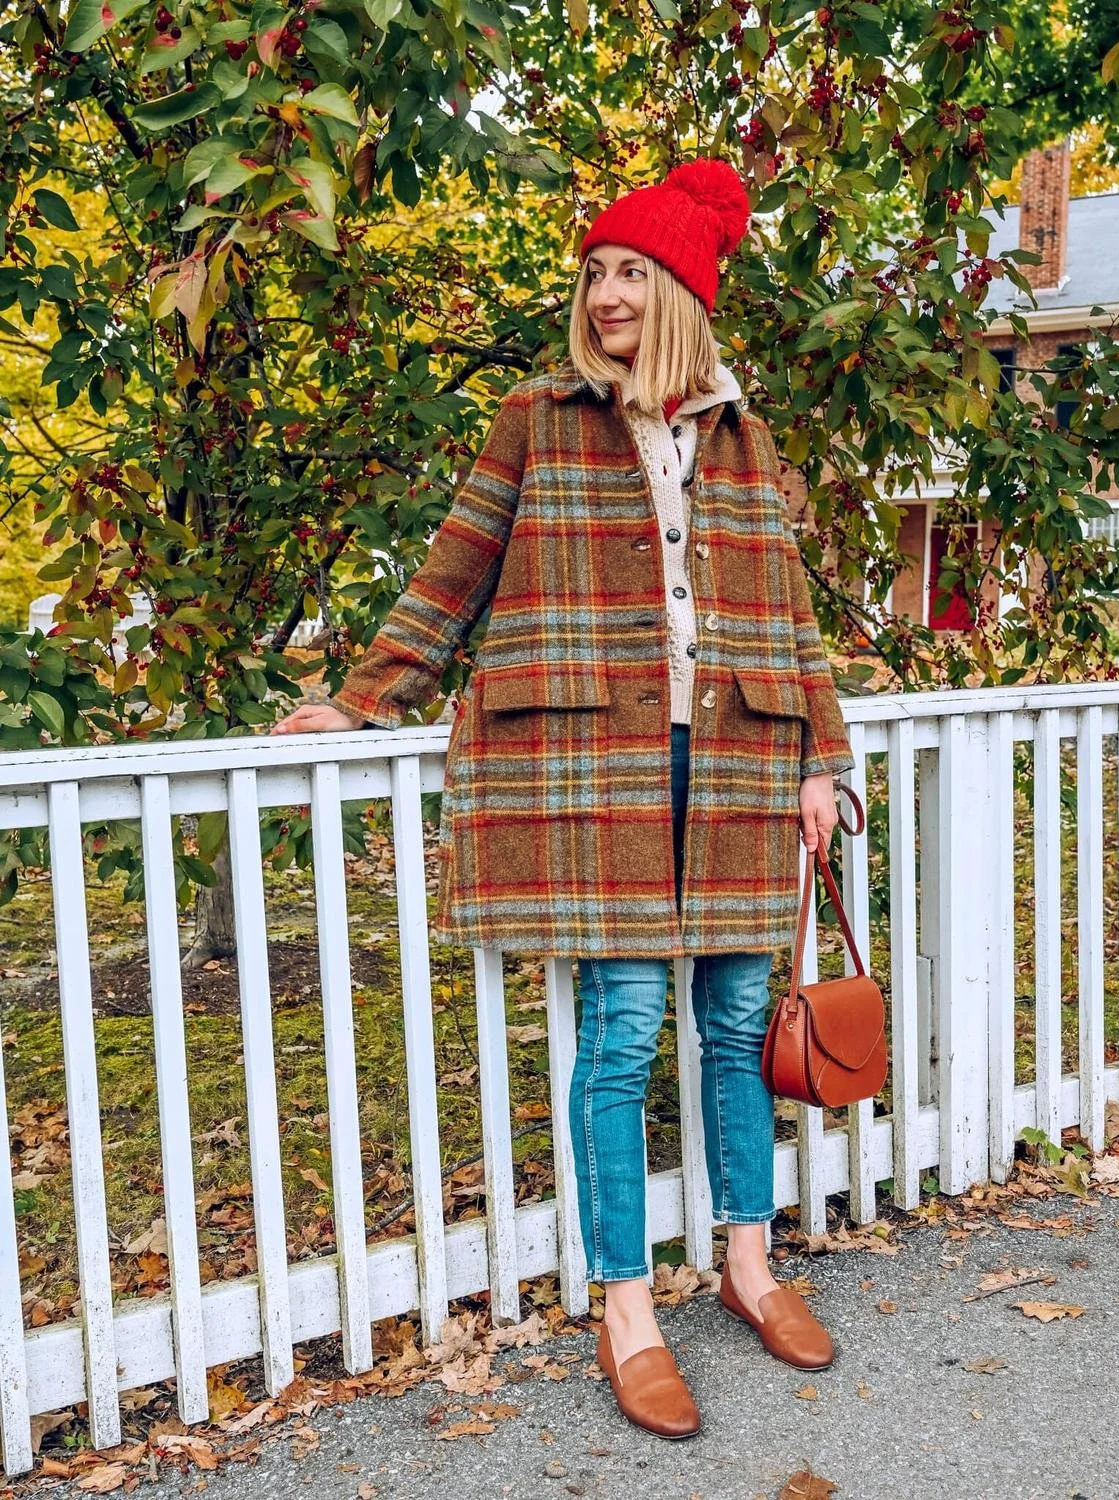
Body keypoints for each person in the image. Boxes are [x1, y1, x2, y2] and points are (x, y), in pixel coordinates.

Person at [272, 158, 856, 1440]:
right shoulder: (539, 416)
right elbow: (459, 567)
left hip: (742, 759)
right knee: (624, 1029)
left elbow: (788, 612)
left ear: (682, 294)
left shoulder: (741, 433)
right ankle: (628, 1306)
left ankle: (749, 1264)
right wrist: (365, 699)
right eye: (595, 274)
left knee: (738, 1019)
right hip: (600, 763)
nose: (606, 296)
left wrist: (823, 756)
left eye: (632, 274)